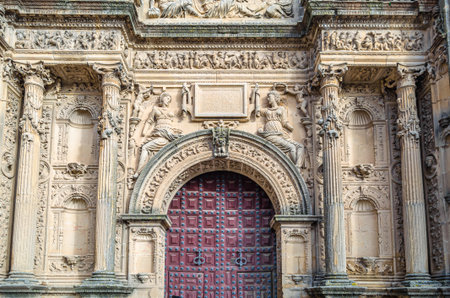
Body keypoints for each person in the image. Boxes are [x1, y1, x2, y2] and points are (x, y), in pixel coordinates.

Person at [135, 92, 182, 176]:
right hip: (159, 133)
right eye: (167, 98)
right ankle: (140, 171)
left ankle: (139, 172)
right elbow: (149, 121)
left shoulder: (171, 111)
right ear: (162, 98)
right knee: (145, 147)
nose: (168, 100)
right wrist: (144, 132)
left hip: (168, 134)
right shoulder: (155, 109)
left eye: (169, 99)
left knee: (145, 147)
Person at [257, 90, 306, 168]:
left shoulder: (281, 109)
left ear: (275, 98)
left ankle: (298, 166)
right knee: (291, 147)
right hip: (270, 133)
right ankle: (295, 168)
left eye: (270, 97)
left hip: (281, 133)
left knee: (300, 146)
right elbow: (257, 110)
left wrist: (291, 127)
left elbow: (284, 122)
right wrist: (257, 94)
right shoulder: (267, 110)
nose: (268, 99)